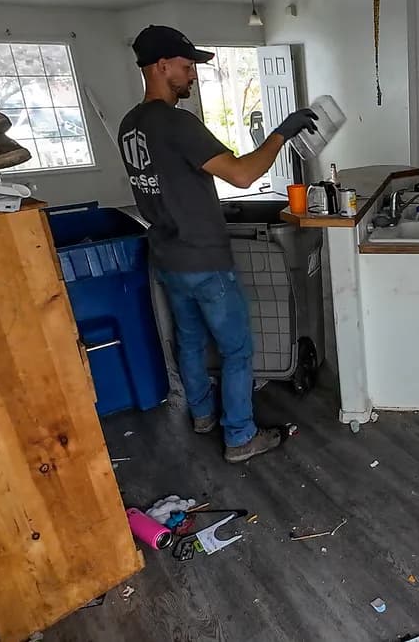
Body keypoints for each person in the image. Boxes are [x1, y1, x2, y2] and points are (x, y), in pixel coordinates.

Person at [118, 24, 317, 463]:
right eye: (187, 66)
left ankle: (204, 416)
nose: (193, 75)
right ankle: (240, 437)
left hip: (168, 256)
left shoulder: (131, 125)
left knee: (189, 342)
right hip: (204, 259)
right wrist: (281, 133)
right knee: (237, 350)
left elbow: (170, 182)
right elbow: (243, 175)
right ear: (161, 65)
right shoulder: (175, 122)